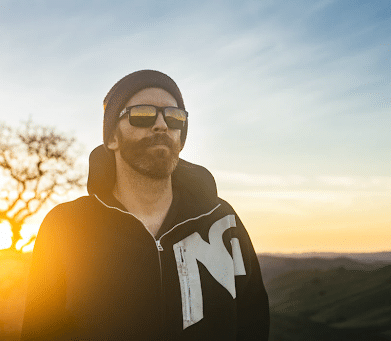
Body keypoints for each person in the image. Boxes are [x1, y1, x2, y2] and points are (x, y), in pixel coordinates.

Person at [20, 70, 270, 340]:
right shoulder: (66, 226)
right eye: (142, 114)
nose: (161, 125)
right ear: (112, 139)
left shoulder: (222, 221)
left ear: (181, 138)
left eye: (174, 117)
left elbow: (253, 322)